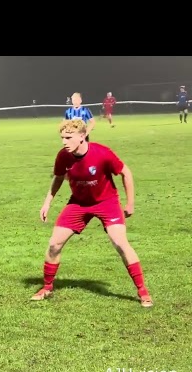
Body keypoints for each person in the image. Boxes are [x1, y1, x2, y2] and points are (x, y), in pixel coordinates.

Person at [31, 119, 153, 308]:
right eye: (62, 138)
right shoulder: (64, 156)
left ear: (82, 136)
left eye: (68, 138)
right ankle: (47, 287)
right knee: (54, 244)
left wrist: (130, 203)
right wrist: (47, 203)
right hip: (78, 204)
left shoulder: (102, 153)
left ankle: (143, 291)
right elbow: (58, 178)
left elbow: (126, 172)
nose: (64, 142)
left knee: (120, 243)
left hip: (107, 203)